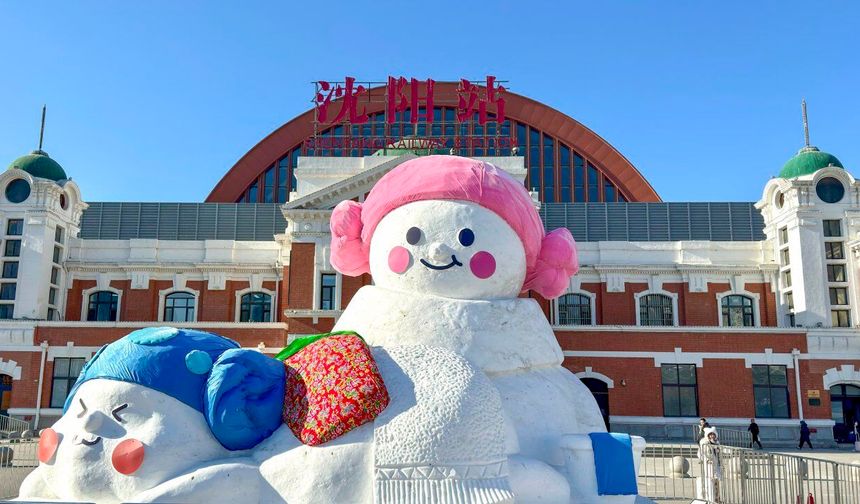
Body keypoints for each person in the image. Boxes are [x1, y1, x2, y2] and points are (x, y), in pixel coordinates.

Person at [698, 427, 722, 503]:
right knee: (710, 480)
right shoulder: (704, 443)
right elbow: (701, 453)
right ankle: (710, 498)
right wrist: (707, 459)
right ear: (707, 436)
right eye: (710, 434)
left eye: (713, 434)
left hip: (716, 463)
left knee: (717, 480)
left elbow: (719, 454)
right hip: (709, 463)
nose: (712, 436)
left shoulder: (717, 443)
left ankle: (717, 497)